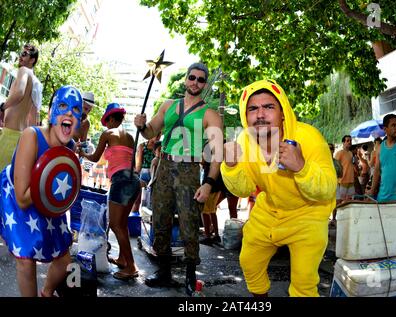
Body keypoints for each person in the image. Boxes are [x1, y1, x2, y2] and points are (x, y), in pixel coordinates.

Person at [221, 79, 336, 297]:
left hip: (308, 214)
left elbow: (328, 189)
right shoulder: (244, 141)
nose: (260, 114)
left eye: (268, 107)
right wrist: (231, 166)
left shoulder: (309, 137)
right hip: (270, 210)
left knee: (304, 282)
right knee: (249, 261)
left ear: (282, 112)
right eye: (253, 108)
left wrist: (302, 167)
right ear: (246, 117)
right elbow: (243, 190)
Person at [134, 62, 223, 296]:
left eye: (201, 79)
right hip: (163, 165)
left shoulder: (210, 114)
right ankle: (163, 272)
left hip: (189, 169)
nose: (195, 82)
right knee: (160, 218)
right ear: (186, 79)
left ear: (204, 85)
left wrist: (209, 183)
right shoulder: (168, 106)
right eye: (192, 77)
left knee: (189, 222)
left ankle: (190, 276)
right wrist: (142, 126)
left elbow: (218, 154)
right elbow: (151, 132)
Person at [0, 85, 81, 297]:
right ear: (50, 113)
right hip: (18, 196)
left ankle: (46, 293)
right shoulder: (31, 136)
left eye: (76, 109)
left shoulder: (69, 147)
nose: (69, 113)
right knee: (26, 259)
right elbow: (22, 199)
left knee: (64, 260)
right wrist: (49, 182)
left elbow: (65, 191)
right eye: (62, 106)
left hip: (46, 201)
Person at [80, 103, 141, 281]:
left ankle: (131, 266)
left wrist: (81, 152)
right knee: (122, 224)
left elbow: (95, 157)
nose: (106, 125)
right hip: (133, 180)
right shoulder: (129, 136)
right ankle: (123, 259)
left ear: (112, 119)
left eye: (107, 121)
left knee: (115, 225)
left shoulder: (108, 134)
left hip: (121, 181)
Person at [0, 43, 42, 171]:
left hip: (9, 136)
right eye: (21, 53)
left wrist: (2, 107)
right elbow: (33, 118)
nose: (20, 57)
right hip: (18, 138)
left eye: (24, 54)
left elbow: (19, 93)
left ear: (32, 60)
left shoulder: (24, 71)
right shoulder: (36, 83)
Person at [334, 135, 354, 203]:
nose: (349, 142)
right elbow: (335, 166)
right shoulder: (339, 153)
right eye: (347, 141)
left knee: (350, 201)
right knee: (341, 202)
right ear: (343, 142)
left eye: (350, 140)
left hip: (351, 180)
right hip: (342, 181)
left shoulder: (351, 153)